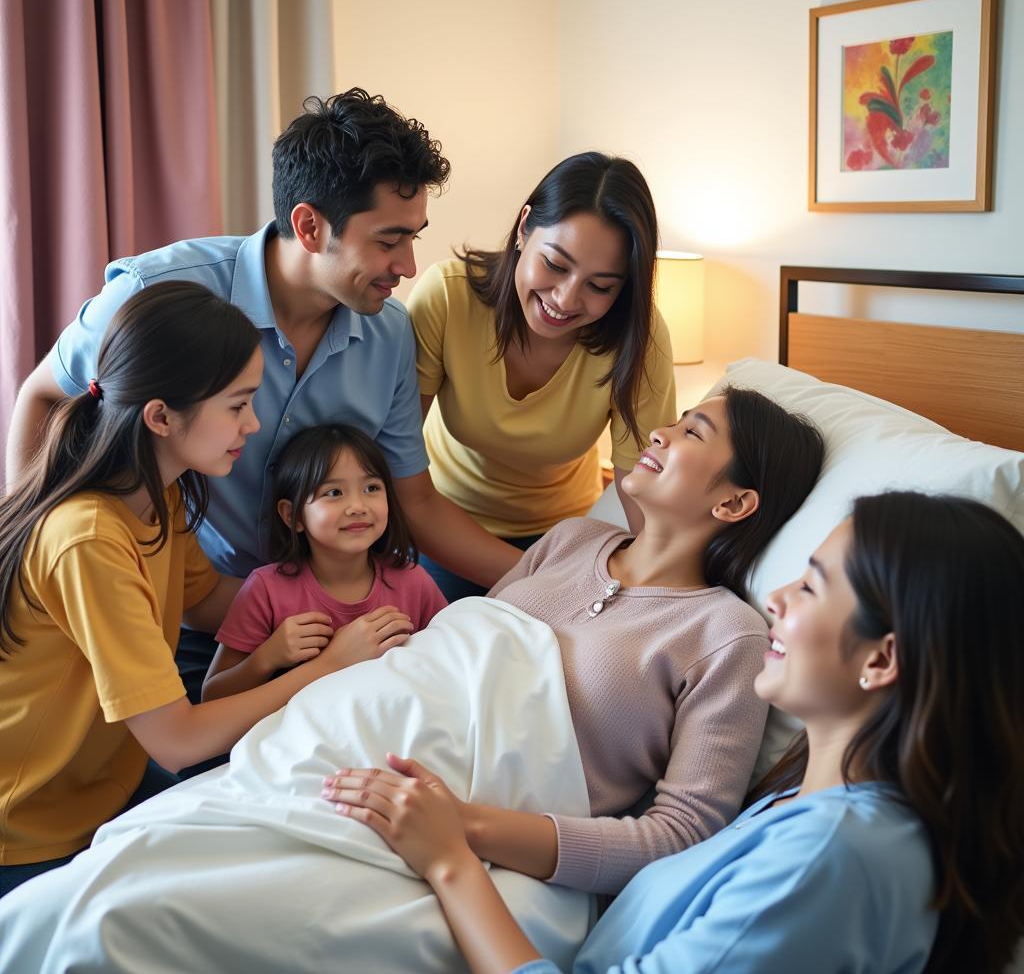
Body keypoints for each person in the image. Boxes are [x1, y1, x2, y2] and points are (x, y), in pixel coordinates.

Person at [322, 491, 1024, 974]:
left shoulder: (831, 855)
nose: (775, 598)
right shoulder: (809, 809)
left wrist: (452, 859)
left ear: (882, 657)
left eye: (809, 588)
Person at [4, 89, 521, 701]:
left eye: (414, 238)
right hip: (178, 610)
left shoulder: (389, 335)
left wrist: (545, 579)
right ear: (308, 226)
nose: (409, 266)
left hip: (314, 620)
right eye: (387, 241)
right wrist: (42, 572)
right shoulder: (162, 292)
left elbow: (417, 502)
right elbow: (43, 399)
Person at [323, 387, 826, 895]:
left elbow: (683, 834)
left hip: (468, 833)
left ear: (735, 502)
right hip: (353, 732)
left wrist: (462, 824)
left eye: (692, 432)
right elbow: (457, 651)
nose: (659, 433)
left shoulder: (725, 635)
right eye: (676, 421)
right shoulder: (570, 539)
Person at [0, 284, 377, 900]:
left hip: (105, 785)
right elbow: (179, 739)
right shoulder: (88, 538)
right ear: (160, 417)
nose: (253, 425)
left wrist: (342, 596)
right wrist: (329, 666)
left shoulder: (159, 493)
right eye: (237, 406)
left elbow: (206, 601)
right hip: (31, 826)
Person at [407, 151, 677, 601]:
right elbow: (400, 479)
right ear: (524, 228)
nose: (566, 299)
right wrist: (544, 581)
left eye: (600, 286)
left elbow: (642, 497)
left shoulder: (639, 339)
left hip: (567, 542)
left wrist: (666, 589)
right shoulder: (447, 299)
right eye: (555, 264)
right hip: (443, 526)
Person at [202, 424, 447, 701]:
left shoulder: (413, 581)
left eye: (371, 488)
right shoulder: (265, 590)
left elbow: (453, 665)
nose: (358, 505)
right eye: (334, 493)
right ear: (292, 515)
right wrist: (267, 657)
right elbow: (212, 696)